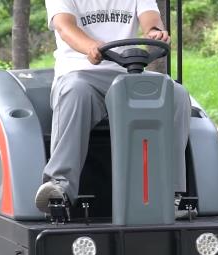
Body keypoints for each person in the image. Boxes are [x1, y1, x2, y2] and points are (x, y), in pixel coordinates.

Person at [36, 0, 192, 213]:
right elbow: (65, 26)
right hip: (80, 72)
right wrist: (91, 46)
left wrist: (154, 31)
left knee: (176, 95)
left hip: (127, 72)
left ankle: (167, 193)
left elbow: (150, 17)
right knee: (76, 91)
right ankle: (59, 188)